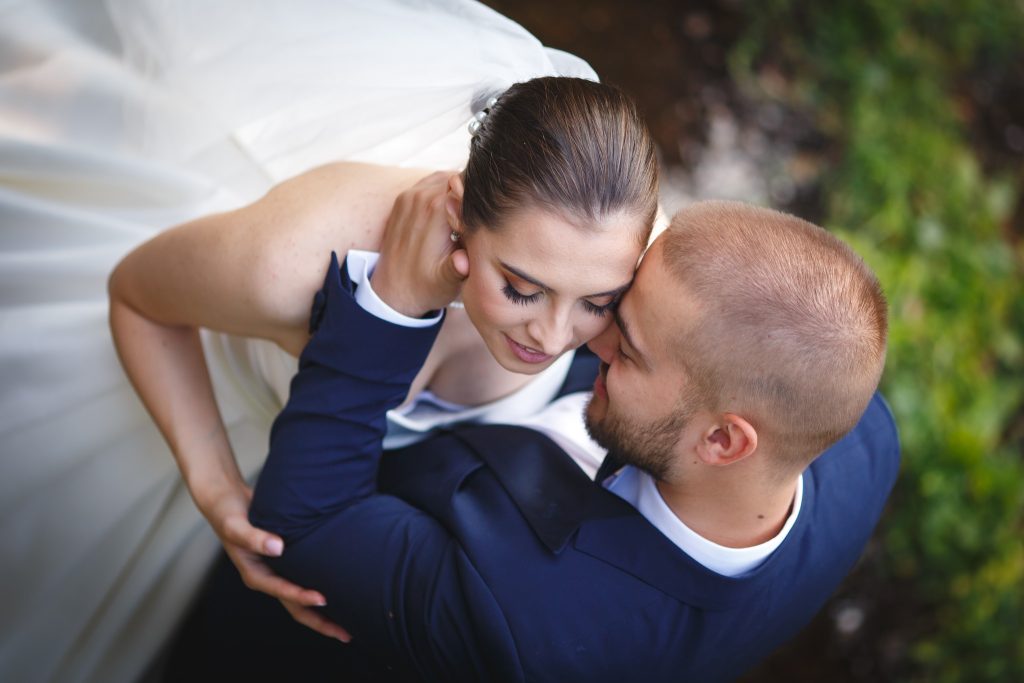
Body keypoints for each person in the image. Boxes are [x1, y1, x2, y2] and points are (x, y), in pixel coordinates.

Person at [0, 1, 656, 681]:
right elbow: (136, 295)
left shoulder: (621, 248)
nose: (552, 337)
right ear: (459, 214)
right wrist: (215, 482)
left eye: (597, 304)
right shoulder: (290, 263)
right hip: (177, 406)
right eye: (521, 286)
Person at [240, 197, 900, 681]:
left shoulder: (531, 624)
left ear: (725, 441)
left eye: (630, 348)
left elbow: (306, 522)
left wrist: (392, 307)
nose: (586, 335)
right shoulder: (862, 433)